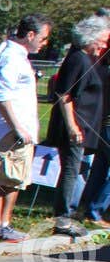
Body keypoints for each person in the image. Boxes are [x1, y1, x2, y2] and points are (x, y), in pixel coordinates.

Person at [0, 13, 51, 243]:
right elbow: (2, 96)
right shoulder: (11, 57)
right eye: (43, 38)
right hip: (11, 131)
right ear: (30, 34)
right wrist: (16, 127)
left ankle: (5, 223)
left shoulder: (18, 56)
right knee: (2, 176)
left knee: (15, 179)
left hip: (22, 130)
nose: (45, 44)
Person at [46, 16, 109, 235]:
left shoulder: (90, 60)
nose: (103, 45)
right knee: (72, 171)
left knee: (82, 170)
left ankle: (72, 214)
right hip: (76, 127)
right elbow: (64, 95)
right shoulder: (77, 60)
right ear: (89, 38)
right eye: (101, 40)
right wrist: (72, 127)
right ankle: (63, 218)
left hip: (87, 128)